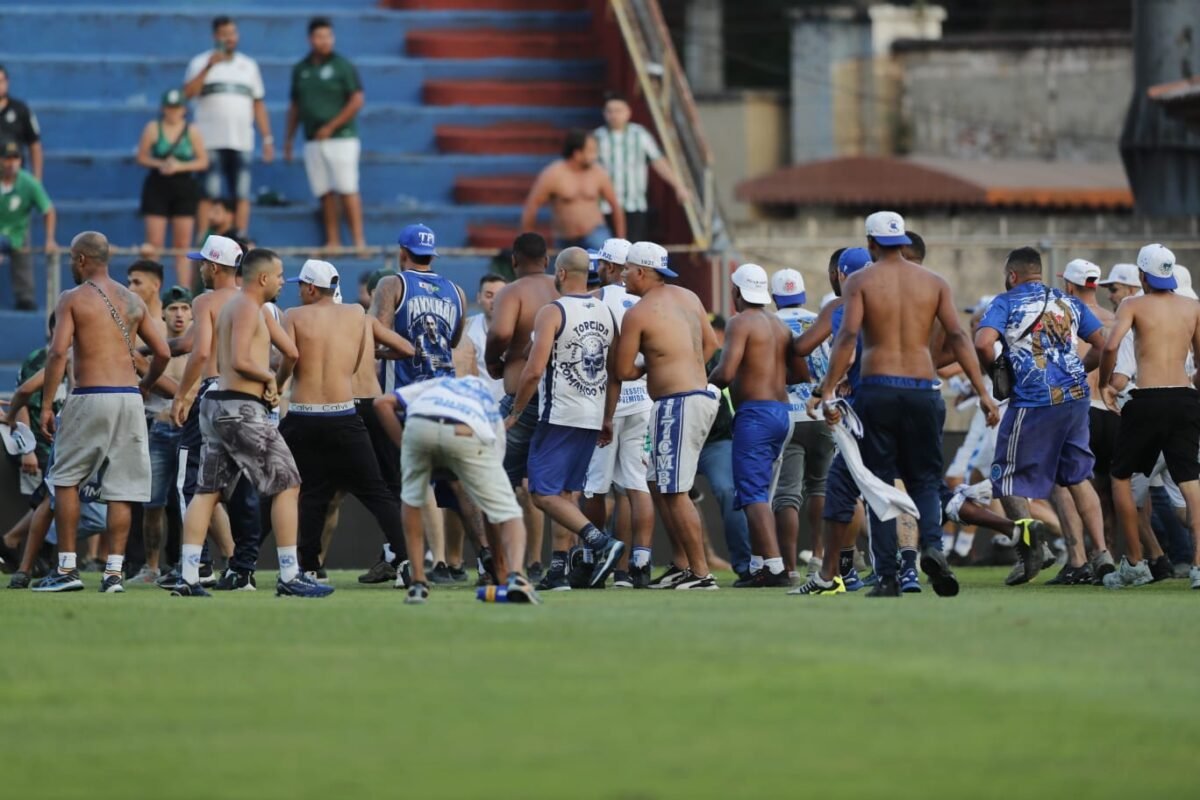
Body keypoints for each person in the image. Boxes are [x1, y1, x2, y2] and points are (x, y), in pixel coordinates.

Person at [815, 212, 997, 598]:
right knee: (925, 481)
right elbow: (959, 337)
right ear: (901, 242)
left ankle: (887, 576)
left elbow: (847, 336)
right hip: (923, 389)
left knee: (880, 485)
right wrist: (983, 393)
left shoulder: (860, 281)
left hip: (877, 389)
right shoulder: (935, 282)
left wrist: (828, 388)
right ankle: (932, 546)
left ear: (871, 243)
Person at [168, 248, 331, 598]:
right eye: (279, 275)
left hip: (217, 406)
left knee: (207, 491)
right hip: (240, 408)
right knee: (287, 484)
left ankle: (189, 577)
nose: (283, 282)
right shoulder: (245, 306)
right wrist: (272, 381)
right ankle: (289, 574)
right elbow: (242, 359)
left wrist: (278, 383)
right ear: (263, 278)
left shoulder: (244, 307)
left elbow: (291, 352)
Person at [32, 232, 170, 593]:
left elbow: (57, 353)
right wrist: (145, 385)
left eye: (71, 259)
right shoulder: (133, 300)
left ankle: (66, 569)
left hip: (90, 395)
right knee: (121, 487)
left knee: (66, 479)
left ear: (81, 259)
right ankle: (113, 574)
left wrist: (46, 405)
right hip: (129, 399)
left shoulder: (72, 298)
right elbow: (163, 353)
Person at [975, 246, 1107, 585]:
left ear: (1012, 275)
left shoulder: (1006, 301)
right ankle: (1101, 554)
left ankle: (1033, 550)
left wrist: (996, 375)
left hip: (1034, 399)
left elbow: (983, 342)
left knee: (1005, 476)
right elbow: (1103, 344)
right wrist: (1080, 371)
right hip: (1076, 398)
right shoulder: (1068, 301)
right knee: (1078, 477)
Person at [277, 259, 413, 580]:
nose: (299, 291)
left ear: (312, 288)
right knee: (377, 492)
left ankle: (308, 567)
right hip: (343, 413)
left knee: (310, 494)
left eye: (301, 286)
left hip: (304, 414)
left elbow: (289, 357)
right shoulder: (356, 314)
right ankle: (407, 559)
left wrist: (277, 383)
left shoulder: (293, 315)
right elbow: (363, 360)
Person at [507, 247, 623, 589]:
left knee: (542, 494)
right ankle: (559, 570)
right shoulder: (605, 312)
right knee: (566, 495)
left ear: (560, 273)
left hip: (559, 414)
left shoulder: (553, 311)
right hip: (591, 414)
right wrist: (607, 417)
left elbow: (533, 371)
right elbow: (614, 372)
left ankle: (601, 542)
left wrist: (515, 413)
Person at [374, 376, 538, 604]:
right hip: (466, 430)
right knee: (509, 511)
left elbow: (381, 403)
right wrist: (500, 569)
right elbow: (491, 512)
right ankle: (517, 577)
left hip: (420, 427)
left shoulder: (436, 384)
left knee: (412, 500)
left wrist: (406, 449)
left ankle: (418, 582)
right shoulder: (488, 403)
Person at [616, 241, 721, 589]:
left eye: (627, 269)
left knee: (674, 491)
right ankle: (682, 565)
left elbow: (623, 369)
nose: (623, 274)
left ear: (642, 271)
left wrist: (656, 364)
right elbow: (712, 345)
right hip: (697, 397)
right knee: (659, 485)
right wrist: (678, 362)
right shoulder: (688, 296)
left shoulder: (638, 313)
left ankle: (701, 574)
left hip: (678, 403)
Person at [1099, 244, 1200, 590]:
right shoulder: (1193, 307)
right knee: (1190, 479)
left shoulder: (1132, 304)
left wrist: (1103, 384)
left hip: (1148, 399)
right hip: (1185, 398)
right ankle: (1199, 566)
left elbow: (1110, 346)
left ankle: (1134, 564)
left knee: (1120, 477)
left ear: (1142, 275)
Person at [709, 264, 794, 587]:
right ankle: (760, 564)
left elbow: (726, 372)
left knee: (752, 493)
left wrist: (703, 385)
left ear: (736, 292)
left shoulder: (739, 322)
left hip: (755, 415)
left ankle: (774, 567)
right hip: (782, 413)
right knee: (761, 492)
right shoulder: (779, 324)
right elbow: (800, 373)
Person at [582, 237, 655, 588]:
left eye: (601, 263)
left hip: (607, 403)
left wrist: (606, 415)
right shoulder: (649, 300)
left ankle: (594, 558)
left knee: (596, 487)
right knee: (635, 485)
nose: (597, 268)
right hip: (643, 398)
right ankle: (634, 565)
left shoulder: (597, 299)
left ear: (610, 266)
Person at [485, 233, 558, 578]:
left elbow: (500, 333)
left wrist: (493, 360)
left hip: (522, 402)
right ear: (547, 260)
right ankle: (566, 561)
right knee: (561, 489)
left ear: (514, 260)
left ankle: (501, 566)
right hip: (561, 402)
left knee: (490, 480)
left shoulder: (513, 292)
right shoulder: (564, 289)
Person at [1056, 258, 1118, 583]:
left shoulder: (1063, 314)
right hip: (1112, 410)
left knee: (1068, 484)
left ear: (1069, 285)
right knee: (1108, 489)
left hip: (1078, 406)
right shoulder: (1114, 317)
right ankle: (1107, 556)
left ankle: (1078, 560)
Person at [769, 268, 834, 581]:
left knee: (787, 494)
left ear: (774, 297)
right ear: (803, 294)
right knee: (820, 486)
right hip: (821, 412)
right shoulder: (819, 319)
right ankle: (819, 556)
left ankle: (790, 566)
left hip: (788, 415)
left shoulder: (770, 322)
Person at [183, 15, 274, 236]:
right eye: (224, 34)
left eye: (232, 33)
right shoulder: (199, 62)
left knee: (242, 193)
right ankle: (203, 239)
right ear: (215, 36)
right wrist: (208, 68)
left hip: (241, 139)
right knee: (208, 192)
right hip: (209, 140)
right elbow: (188, 94)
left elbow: (258, 103)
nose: (229, 38)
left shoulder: (248, 65)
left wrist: (267, 138)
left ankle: (240, 238)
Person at [285, 17, 366, 254]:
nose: (325, 41)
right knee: (324, 191)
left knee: (347, 188)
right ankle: (333, 241)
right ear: (311, 39)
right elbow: (295, 106)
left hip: (341, 137)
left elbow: (356, 100)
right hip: (312, 138)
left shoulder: (343, 66)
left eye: (328, 36)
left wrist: (332, 126)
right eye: (320, 37)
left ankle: (359, 242)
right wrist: (289, 139)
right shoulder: (301, 69)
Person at [370, 223, 466, 392]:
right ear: (432, 256)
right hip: (444, 393)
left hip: (402, 394)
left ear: (402, 252)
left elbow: (377, 340)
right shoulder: (458, 291)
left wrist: (378, 353)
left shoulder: (392, 284)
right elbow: (454, 341)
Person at [136, 89, 208, 288]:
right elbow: (141, 157)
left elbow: (202, 161)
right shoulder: (153, 128)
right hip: (158, 185)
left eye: (177, 108)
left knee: (182, 245)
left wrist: (180, 166)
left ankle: (184, 290)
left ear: (183, 110)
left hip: (183, 186)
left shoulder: (191, 131)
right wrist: (160, 164)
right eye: (169, 108)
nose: (173, 112)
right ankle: (150, 288)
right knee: (154, 243)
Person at [594, 93, 688, 242]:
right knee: (609, 247)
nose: (614, 115)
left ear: (628, 112)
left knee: (633, 246)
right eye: (609, 111)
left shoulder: (640, 134)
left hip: (634, 203)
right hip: (606, 204)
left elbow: (658, 161)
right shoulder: (597, 137)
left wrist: (678, 186)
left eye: (618, 110)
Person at [520, 129, 625, 251]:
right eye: (590, 151)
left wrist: (621, 240)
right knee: (562, 262)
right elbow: (532, 205)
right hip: (565, 238)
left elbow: (615, 205)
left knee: (603, 253)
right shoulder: (553, 174)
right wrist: (528, 241)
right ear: (577, 153)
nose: (595, 155)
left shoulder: (598, 173)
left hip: (595, 233)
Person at [0, 140, 56, 310]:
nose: (11, 163)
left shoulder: (29, 183)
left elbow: (48, 210)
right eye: (7, 158)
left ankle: (25, 297)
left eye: (15, 158)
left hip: (16, 234)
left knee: (22, 248)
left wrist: (49, 239)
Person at [462, 272, 508, 401]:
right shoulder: (466, 327)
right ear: (479, 298)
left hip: (508, 404)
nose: (494, 300)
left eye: (500, 295)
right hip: (477, 403)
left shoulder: (519, 329)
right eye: (489, 295)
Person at [0, 66, 42, 181]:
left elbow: (35, 145)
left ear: (7, 82)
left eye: (1, 81)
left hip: (15, 178)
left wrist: (37, 180)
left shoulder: (21, 110)